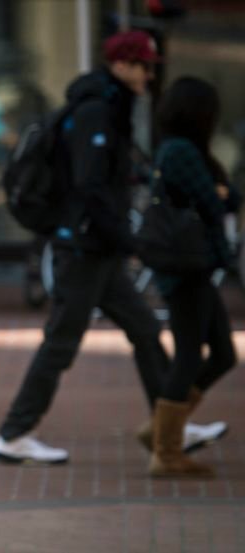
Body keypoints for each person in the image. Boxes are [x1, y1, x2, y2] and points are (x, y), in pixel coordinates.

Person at [0, 30, 225, 465]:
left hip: (97, 250)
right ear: (121, 65)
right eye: (143, 66)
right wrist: (128, 239)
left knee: (145, 331)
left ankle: (167, 426)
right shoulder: (98, 110)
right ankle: (15, 432)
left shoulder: (109, 107)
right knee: (61, 342)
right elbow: (90, 185)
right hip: (83, 249)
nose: (149, 75)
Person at [146, 77, 240, 477]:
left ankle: (159, 431)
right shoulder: (181, 151)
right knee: (189, 354)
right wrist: (220, 195)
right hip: (186, 266)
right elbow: (216, 201)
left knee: (223, 353)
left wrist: (222, 195)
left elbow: (223, 197)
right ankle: (165, 452)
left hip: (194, 265)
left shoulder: (178, 148)